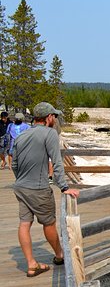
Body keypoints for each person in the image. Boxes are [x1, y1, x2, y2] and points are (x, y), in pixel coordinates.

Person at [11, 102, 80, 277]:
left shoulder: (22, 136)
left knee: (24, 223)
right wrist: (64, 187)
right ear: (48, 117)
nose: (55, 120)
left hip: (21, 187)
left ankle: (31, 264)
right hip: (39, 188)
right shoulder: (50, 134)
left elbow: (14, 164)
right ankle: (60, 255)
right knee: (48, 222)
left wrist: (21, 179)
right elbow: (57, 163)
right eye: (54, 117)